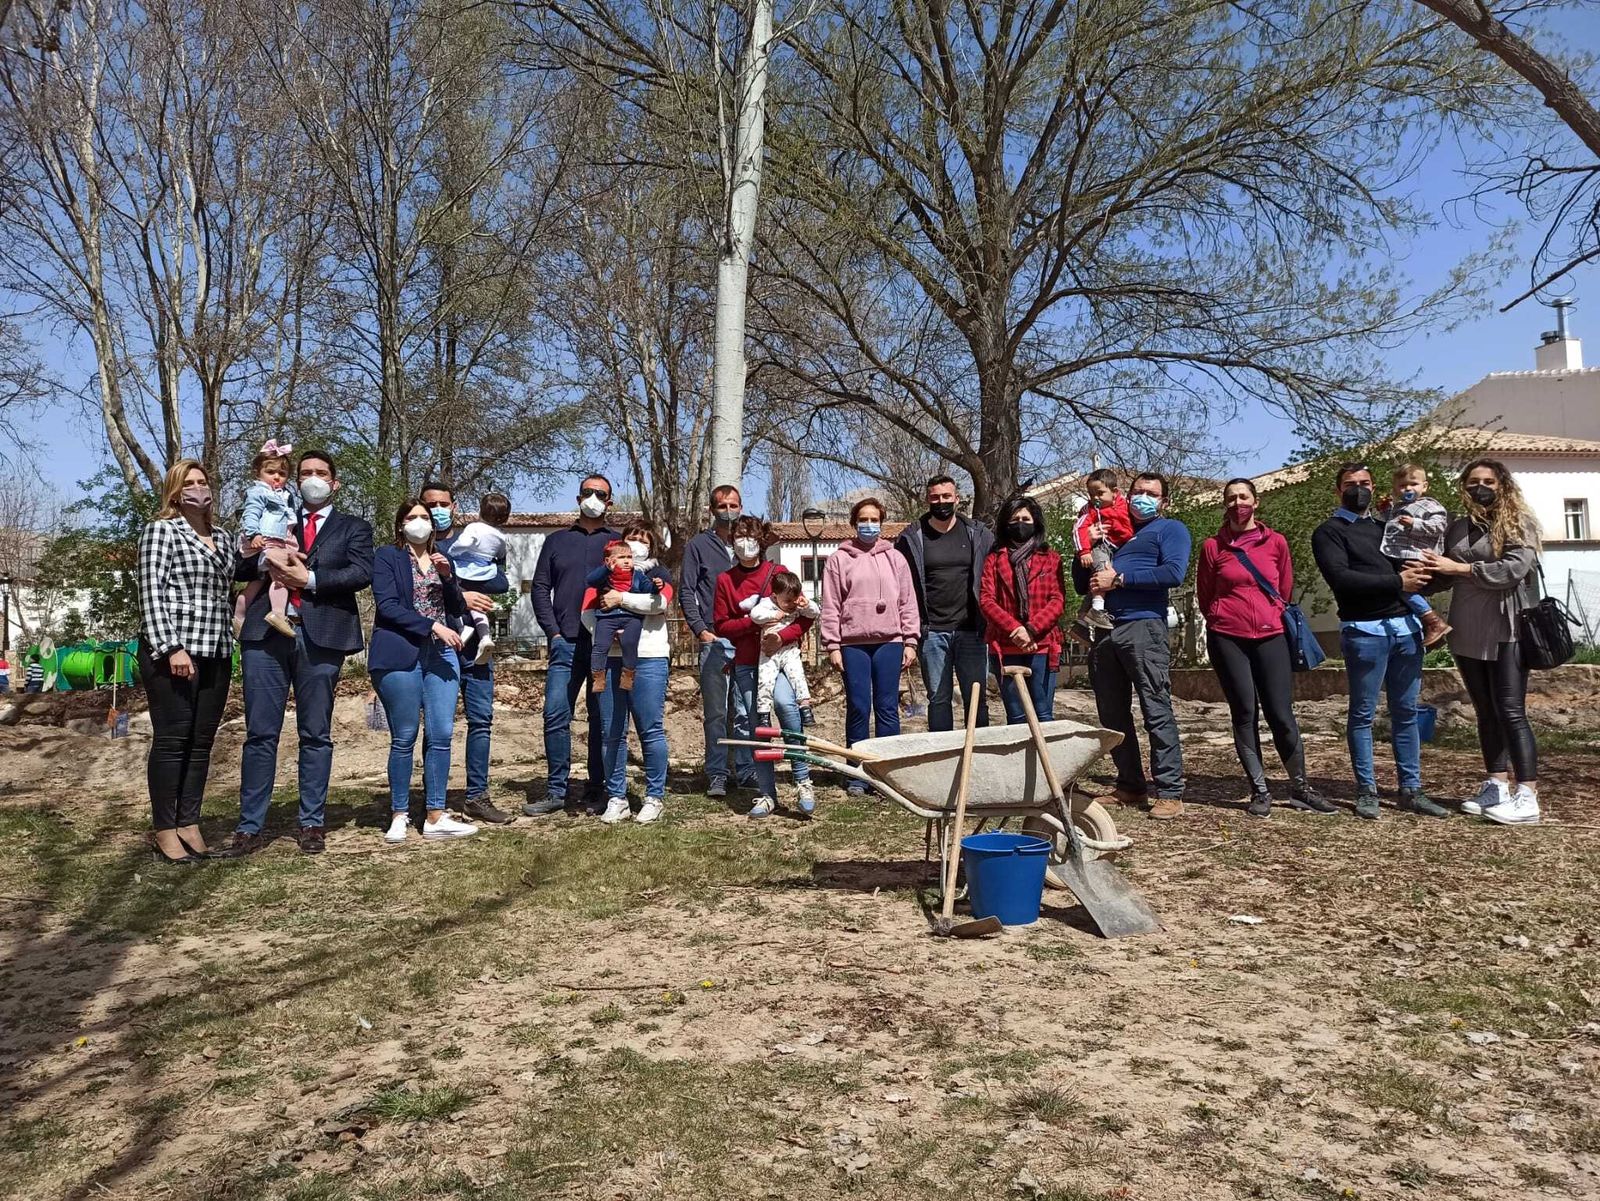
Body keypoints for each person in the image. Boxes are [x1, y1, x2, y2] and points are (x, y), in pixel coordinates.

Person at [229, 449, 375, 856]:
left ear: (334, 482)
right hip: (264, 633)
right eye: (305, 472)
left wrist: (308, 578)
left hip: (321, 635)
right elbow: (237, 566)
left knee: (316, 733)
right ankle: (249, 825)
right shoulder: (270, 512)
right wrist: (261, 555)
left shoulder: (353, 527)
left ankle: (312, 821)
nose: (312, 478)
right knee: (260, 733)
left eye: (321, 473)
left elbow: (361, 572)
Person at [1310, 462, 1445, 820]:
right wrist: (1399, 584)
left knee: (1405, 713)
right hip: (1364, 631)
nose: (1359, 489)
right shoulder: (1329, 532)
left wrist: (1437, 571)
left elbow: (1416, 566)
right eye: (1350, 484)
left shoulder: (1389, 526)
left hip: (1406, 630)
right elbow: (1342, 579)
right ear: (1338, 490)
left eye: (1365, 483)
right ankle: (1366, 790)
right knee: (1363, 715)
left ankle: (1411, 789)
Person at [1196, 479, 1334, 817]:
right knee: (1244, 712)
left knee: (1281, 713)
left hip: (1271, 635)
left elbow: (1283, 587)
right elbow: (1205, 594)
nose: (1237, 503)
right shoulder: (1213, 547)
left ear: (1256, 503)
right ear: (1224, 505)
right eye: (1230, 498)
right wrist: (1220, 617)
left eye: (1243, 497)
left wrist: (1269, 614)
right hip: (1228, 637)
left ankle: (1300, 787)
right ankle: (1259, 790)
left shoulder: (1276, 543)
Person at [1419, 459, 1543, 825]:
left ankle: (1528, 794)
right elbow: (1443, 573)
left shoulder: (1519, 522)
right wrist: (1408, 575)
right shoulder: (1458, 526)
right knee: (1485, 710)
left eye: (1489, 481)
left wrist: (1461, 570)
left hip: (1508, 627)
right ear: (1464, 486)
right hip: (1468, 628)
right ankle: (1496, 784)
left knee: (1511, 710)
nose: (1481, 487)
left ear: (1502, 484)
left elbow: (1512, 570)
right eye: (1474, 481)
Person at [136, 459, 237, 866]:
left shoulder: (224, 537)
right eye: (190, 483)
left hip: (217, 649)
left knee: (201, 741)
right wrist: (171, 647)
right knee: (173, 739)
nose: (199, 488)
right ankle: (164, 828)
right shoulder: (161, 531)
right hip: (175, 651)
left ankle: (189, 821)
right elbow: (151, 593)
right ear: (176, 493)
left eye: (203, 481)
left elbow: (231, 585)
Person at [1074, 472, 1190, 820]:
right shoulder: (1107, 527)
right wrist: (1084, 552)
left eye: (1151, 493)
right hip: (1105, 629)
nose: (1143, 497)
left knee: (1155, 708)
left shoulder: (1169, 530)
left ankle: (1169, 790)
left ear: (1163, 501)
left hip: (1143, 626)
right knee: (1112, 713)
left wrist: (1121, 579)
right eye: (1138, 491)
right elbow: (1083, 584)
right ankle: (1130, 785)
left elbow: (1173, 573)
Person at [370, 500, 476, 843]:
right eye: (412, 517)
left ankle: (435, 814)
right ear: (401, 524)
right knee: (404, 735)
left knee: (442, 733)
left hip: (442, 655)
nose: (420, 522)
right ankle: (399, 813)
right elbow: (387, 606)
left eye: (425, 517)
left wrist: (448, 578)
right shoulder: (388, 557)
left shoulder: (444, 560)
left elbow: (458, 607)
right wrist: (432, 625)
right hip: (401, 653)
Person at [527, 473, 620, 816]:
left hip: (603, 646)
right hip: (564, 642)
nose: (593, 497)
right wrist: (552, 631)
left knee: (600, 717)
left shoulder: (618, 543)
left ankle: (597, 788)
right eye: (588, 492)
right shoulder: (556, 541)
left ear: (609, 502)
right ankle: (556, 790)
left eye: (601, 494)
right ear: (578, 497)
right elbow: (539, 588)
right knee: (555, 713)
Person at [424, 481, 514, 825]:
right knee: (437, 726)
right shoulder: (416, 547)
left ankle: (477, 796)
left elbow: (502, 582)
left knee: (481, 721)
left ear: (455, 505)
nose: (437, 509)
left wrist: (463, 587)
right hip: (437, 646)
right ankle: (433, 798)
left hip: (476, 648)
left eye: (443, 503)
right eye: (430, 504)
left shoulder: (476, 538)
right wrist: (462, 594)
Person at [713, 516, 815, 818]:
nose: (746, 542)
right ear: (731, 540)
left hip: (778, 661)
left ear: (763, 539)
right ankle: (766, 792)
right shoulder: (725, 581)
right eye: (740, 536)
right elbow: (722, 625)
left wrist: (781, 636)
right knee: (759, 725)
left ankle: (802, 779)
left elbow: (804, 616)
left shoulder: (779, 573)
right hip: (746, 663)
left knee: (786, 707)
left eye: (752, 536)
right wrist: (753, 623)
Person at [821, 497, 919, 792]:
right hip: (853, 645)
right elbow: (830, 604)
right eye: (863, 519)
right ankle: (857, 773)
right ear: (854, 523)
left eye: (874, 519)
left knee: (888, 708)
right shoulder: (839, 559)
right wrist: (833, 645)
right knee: (859, 707)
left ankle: (888, 775)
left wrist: (910, 641)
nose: (868, 525)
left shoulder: (896, 558)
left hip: (890, 642)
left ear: (882, 523)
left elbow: (907, 601)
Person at [587, 523, 674, 825]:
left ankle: (654, 796)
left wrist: (620, 599)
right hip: (610, 658)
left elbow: (659, 604)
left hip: (649, 658)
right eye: (631, 539)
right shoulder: (604, 575)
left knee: (650, 729)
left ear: (652, 546)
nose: (636, 545)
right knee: (611, 732)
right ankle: (616, 797)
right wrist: (603, 633)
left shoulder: (658, 574)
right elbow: (588, 610)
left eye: (643, 540)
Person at [895, 475, 993, 733]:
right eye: (935, 497)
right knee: (938, 699)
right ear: (928, 499)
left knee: (977, 700)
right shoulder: (911, 538)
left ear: (957, 499)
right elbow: (901, 585)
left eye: (946, 497)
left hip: (971, 630)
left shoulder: (978, 534)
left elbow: (995, 575)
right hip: (932, 632)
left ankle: (980, 753)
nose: (941, 502)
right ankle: (944, 756)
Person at [680, 485, 756, 796]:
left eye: (733, 504)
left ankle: (746, 768)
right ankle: (717, 772)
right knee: (715, 712)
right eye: (722, 506)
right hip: (715, 639)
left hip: (747, 638)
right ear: (713, 510)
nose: (728, 510)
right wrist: (701, 629)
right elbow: (687, 590)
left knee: (744, 710)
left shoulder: (749, 543)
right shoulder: (698, 545)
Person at [979, 494, 1065, 725]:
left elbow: (1057, 600)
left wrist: (1032, 629)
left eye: (1026, 518)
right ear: (1006, 524)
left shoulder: (1051, 559)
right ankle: (1020, 761)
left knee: (1043, 713)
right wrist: (1016, 629)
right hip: (1007, 644)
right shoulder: (994, 560)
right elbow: (987, 600)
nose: (1020, 523)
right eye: (1014, 518)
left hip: (1042, 644)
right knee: (1016, 715)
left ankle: (1045, 761)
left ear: (1035, 522)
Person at [234, 439, 302, 638]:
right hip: (263, 541)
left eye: (282, 474)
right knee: (280, 576)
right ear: (258, 473)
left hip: (276, 541)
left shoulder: (284, 496)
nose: (276, 477)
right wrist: (253, 534)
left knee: (257, 580)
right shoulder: (258, 492)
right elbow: (250, 514)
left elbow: (286, 523)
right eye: (270, 472)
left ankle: (239, 613)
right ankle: (278, 613)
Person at [1379, 463, 1452, 648]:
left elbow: (1439, 526)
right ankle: (1424, 625)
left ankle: (1433, 621)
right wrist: (1385, 510)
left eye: (1413, 484)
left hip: (1418, 555)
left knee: (1404, 588)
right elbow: (1392, 525)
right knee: (1398, 587)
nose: (1408, 489)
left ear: (1424, 486)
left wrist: (1415, 523)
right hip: (1398, 554)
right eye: (1402, 486)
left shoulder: (1430, 505)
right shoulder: (1399, 507)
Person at [740, 568, 817, 726]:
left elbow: (814, 613)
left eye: (794, 600)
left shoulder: (797, 606)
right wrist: (773, 616)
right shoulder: (768, 605)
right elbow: (755, 615)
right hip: (769, 653)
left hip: (789, 651)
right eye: (787, 601)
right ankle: (764, 714)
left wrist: (806, 604)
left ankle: (805, 707)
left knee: (798, 677)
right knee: (765, 681)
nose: (791, 605)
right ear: (775, 596)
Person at [441, 491, 510, 666]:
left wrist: (452, 553)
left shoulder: (474, 528)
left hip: (466, 567)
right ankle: (485, 636)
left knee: (458, 595)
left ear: (481, 511)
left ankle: (463, 627)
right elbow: (501, 555)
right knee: (478, 605)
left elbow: (463, 543)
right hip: (485, 570)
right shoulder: (501, 536)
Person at [585, 539, 662, 692]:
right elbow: (591, 580)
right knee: (600, 647)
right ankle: (598, 677)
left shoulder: (638, 575)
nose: (626, 561)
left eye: (629, 557)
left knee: (630, 645)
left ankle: (628, 675)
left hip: (631, 618)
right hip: (606, 618)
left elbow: (647, 588)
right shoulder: (605, 576)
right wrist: (607, 569)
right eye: (621, 558)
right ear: (608, 560)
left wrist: (656, 586)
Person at [1072, 469, 1133, 638]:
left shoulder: (1126, 505)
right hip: (1101, 547)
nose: (1095, 498)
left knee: (1098, 584)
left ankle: (1082, 623)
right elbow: (1078, 529)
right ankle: (1098, 610)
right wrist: (1084, 551)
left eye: (1100, 493)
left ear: (1114, 492)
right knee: (1102, 572)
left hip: (1119, 548)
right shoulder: (1090, 510)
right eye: (1091, 494)